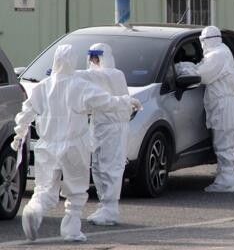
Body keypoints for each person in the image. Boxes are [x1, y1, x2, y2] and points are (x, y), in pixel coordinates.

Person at [10, 44, 141, 242]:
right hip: (74, 147)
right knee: (76, 191)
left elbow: (26, 112)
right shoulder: (80, 86)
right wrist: (127, 101)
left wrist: (19, 135)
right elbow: (105, 101)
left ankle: (33, 210)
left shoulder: (42, 86)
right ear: (72, 61)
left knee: (44, 189)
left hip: (46, 147)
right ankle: (71, 230)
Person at [179, 26, 234, 192]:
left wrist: (183, 67)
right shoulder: (221, 51)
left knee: (225, 144)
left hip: (224, 105)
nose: (202, 44)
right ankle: (226, 179)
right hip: (223, 104)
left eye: (202, 41)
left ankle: (227, 182)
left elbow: (202, 74)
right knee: (225, 142)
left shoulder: (217, 55)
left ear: (206, 40)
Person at [77, 43, 131, 226]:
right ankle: (105, 206)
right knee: (98, 167)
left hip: (113, 128)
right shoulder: (96, 77)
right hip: (100, 126)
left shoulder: (114, 74)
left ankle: (111, 209)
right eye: (91, 58)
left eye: (96, 58)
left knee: (110, 168)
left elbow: (91, 76)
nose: (93, 62)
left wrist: (65, 73)